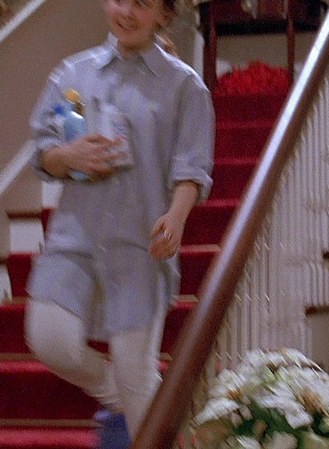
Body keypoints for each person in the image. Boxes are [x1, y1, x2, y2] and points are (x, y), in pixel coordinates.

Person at [24, 0, 214, 448]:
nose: (125, 11)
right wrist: (67, 156)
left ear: (164, 14)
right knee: (48, 338)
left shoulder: (184, 86)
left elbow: (191, 168)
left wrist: (176, 217)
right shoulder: (72, 74)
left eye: (141, 4)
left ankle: (141, 400)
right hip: (73, 240)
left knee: (136, 374)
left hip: (139, 247)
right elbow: (43, 153)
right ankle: (134, 397)